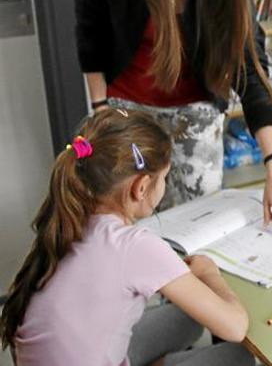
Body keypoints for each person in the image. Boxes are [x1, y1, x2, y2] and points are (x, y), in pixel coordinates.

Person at [73, 0, 272, 239]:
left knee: (197, 226)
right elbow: (90, 34)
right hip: (126, 106)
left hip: (196, 111)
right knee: (128, 222)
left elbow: (251, 74)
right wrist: (100, 107)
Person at [0, 109, 254, 366]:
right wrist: (210, 274)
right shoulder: (135, 246)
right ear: (141, 187)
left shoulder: (69, 219)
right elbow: (235, 328)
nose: (165, 185)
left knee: (186, 319)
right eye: (164, 178)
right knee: (237, 355)